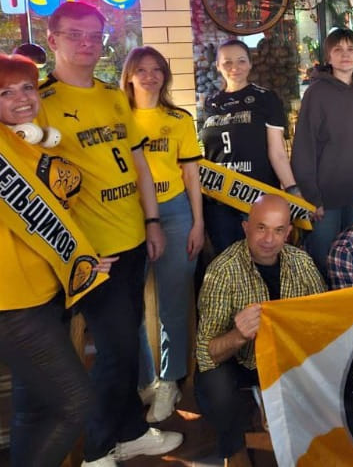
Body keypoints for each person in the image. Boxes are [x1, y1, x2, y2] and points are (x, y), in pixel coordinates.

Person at [38, 1, 181, 466]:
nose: (86, 43)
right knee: (116, 350)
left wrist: (152, 221)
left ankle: (131, 431)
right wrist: (70, 252)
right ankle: (98, 449)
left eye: (94, 36)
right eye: (74, 34)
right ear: (52, 38)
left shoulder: (112, 96)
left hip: (133, 238)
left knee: (127, 343)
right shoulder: (40, 102)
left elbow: (139, 164)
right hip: (93, 252)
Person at [0, 53, 111, 467]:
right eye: (5, 93)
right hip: (6, 305)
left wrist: (82, 261)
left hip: (44, 297)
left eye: (27, 87)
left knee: (34, 409)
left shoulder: (34, 145)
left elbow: (52, 223)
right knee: (77, 403)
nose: (22, 97)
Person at [194, 194, 325, 467]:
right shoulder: (222, 271)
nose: (269, 239)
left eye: (278, 230)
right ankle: (233, 448)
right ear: (246, 228)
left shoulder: (302, 263)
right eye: (261, 228)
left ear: (288, 233)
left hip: (288, 358)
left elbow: (324, 320)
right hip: (243, 362)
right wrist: (238, 335)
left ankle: (316, 442)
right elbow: (206, 353)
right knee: (214, 385)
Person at [122, 46, 204, 423]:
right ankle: (145, 382)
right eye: (142, 70)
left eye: (157, 69)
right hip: (127, 216)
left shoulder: (178, 119)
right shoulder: (116, 118)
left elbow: (191, 175)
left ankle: (171, 382)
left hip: (174, 212)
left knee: (173, 304)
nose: (150, 76)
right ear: (129, 76)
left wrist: (197, 223)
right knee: (129, 308)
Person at [201, 39, 297, 255]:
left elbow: (277, 152)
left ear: (250, 64)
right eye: (227, 62)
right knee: (227, 260)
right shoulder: (211, 103)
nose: (234, 67)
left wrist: (292, 189)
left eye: (241, 61)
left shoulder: (266, 98)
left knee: (261, 258)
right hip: (219, 198)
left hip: (256, 196)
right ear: (217, 66)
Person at [292, 28, 353, 274]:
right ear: (328, 57)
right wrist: (311, 196)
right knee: (323, 261)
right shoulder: (316, 93)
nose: (345, 55)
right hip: (325, 201)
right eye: (338, 50)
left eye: (351, 49)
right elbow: (303, 147)